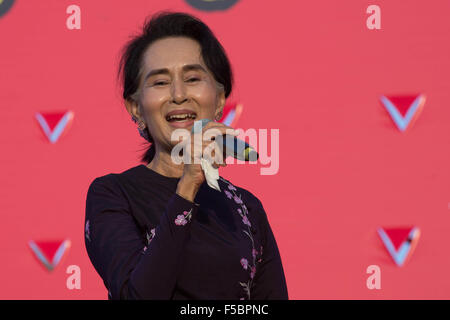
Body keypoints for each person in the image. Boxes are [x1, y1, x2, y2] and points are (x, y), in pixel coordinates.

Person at [84, 11, 288, 300]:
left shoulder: (246, 207)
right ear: (136, 108)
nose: (179, 95)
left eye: (192, 78)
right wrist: (188, 186)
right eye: (160, 82)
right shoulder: (113, 194)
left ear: (219, 99)